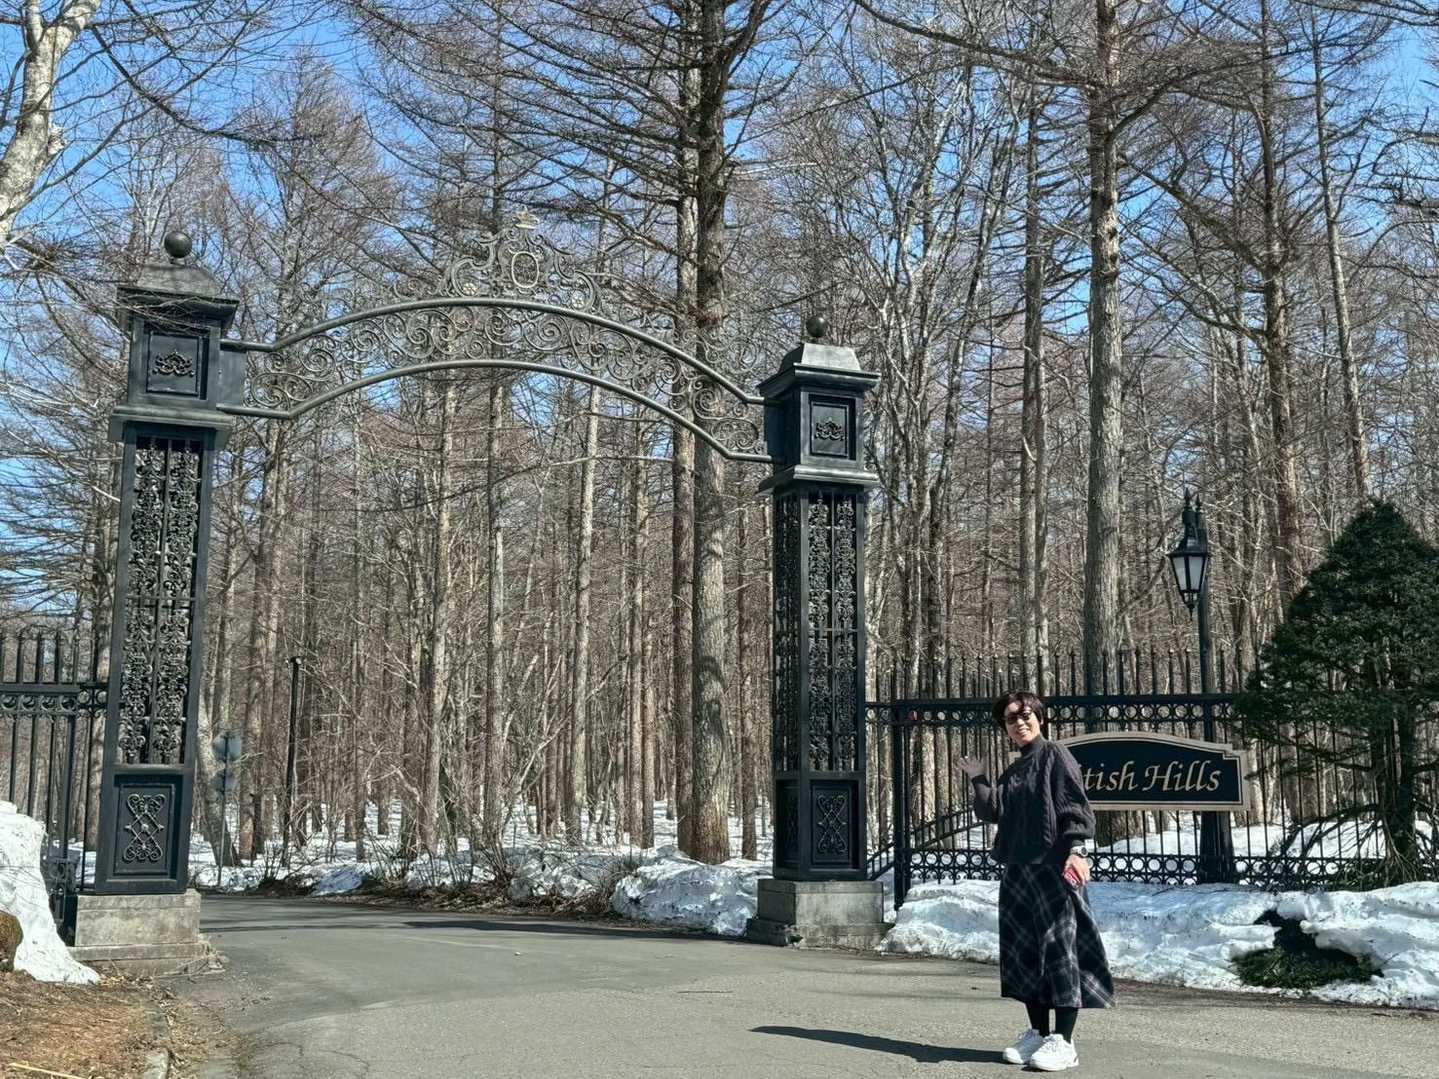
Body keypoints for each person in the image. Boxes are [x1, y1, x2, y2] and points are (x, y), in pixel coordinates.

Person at [956, 690, 1115, 1072]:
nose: (1019, 723)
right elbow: (993, 810)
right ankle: (1038, 1033)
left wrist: (1077, 850)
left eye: (1025, 715)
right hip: (1018, 871)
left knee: (1059, 951)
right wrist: (978, 778)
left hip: (1053, 868)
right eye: (1011, 719)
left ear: (1040, 718)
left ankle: (1064, 1041)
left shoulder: (1055, 755)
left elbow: (1074, 805)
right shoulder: (1015, 770)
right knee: (1024, 952)